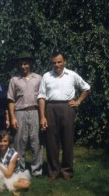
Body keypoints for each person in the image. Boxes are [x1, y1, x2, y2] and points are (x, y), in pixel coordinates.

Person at [37, 50, 90, 180]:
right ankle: (53, 171)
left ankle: (67, 171)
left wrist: (78, 102)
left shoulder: (71, 75)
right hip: (50, 108)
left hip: (67, 108)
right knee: (51, 142)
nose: (57, 65)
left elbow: (86, 88)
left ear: (64, 62)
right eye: (54, 62)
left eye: (59, 62)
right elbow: (41, 97)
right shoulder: (46, 76)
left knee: (67, 140)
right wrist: (42, 116)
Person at [7, 52, 43, 177]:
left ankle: (36, 169)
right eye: (21, 64)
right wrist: (12, 117)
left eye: (26, 64)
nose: (23, 66)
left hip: (35, 112)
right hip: (19, 112)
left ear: (30, 64)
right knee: (19, 142)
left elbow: (42, 98)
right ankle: (19, 168)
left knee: (35, 141)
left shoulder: (38, 78)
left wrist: (43, 116)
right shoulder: (14, 80)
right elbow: (11, 100)